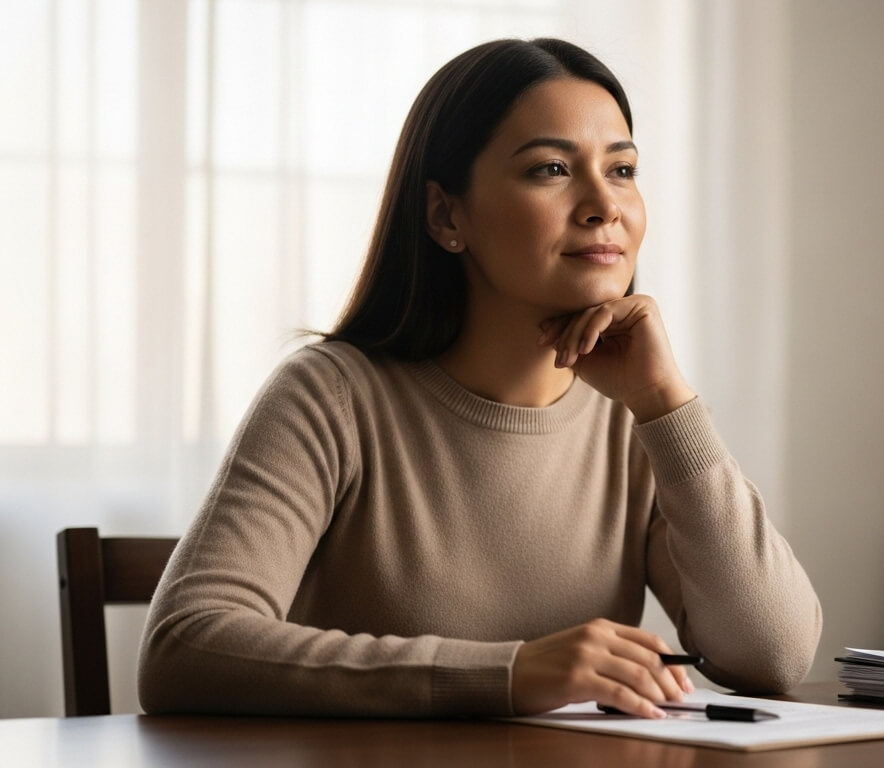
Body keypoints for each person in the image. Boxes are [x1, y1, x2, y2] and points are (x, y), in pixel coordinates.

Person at [137, 38, 822, 720]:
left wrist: (669, 406)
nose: (603, 206)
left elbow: (774, 656)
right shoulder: (332, 397)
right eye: (552, 168)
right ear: (445, 215)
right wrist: (509, 674)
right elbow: (184, 646)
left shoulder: (636, 418)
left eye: (622, 169)